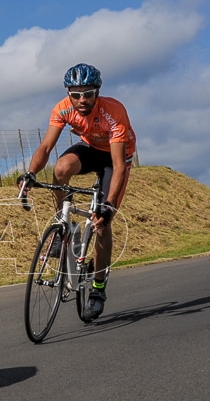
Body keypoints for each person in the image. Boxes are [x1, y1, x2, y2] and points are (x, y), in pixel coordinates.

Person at [18, 63, 137, 321]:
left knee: (102, 224)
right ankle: (65, 227)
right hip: (90, 147)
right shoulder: (62, 108)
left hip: (116, 158)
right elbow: (46, 146)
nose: (82, 100)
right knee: (61, 169)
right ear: (68, 93)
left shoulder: (113, 112)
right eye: (76, 94)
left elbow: (117, 166)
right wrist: (31, 174)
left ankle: (98, 289)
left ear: (97, 92)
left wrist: (109, 205)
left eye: (88, 93)